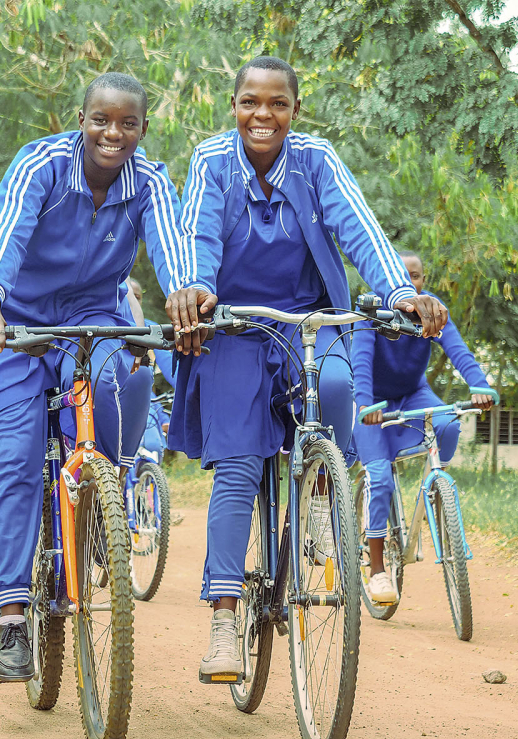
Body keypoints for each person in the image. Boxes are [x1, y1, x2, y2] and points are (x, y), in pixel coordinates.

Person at [163, 56, 448, 683]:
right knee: (238, 465)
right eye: (249, 102)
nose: (262, 115)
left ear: (295, 110)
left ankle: (321, 494)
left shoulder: (317, 159)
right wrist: (193, 288)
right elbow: (197, 234)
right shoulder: (212, 161)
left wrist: (400, 292)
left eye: (277, 104)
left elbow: (361, 229)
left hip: (310, 320)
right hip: (233, 323)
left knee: (341, 387)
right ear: (233, 105)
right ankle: (224, 618)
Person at [0, 72, 188, 682]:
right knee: (15, 455)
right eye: (101, 120)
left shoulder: (151, 182)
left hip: (94, 319)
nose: (114, 133)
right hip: (18, 322)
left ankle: (95, 515)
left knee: (110, 407)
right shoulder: (42, 164)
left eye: (128, 123)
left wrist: (186, 295)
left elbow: (170, 247)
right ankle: (11, 612)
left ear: (143, 128)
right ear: (81, 118)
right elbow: (7, 233)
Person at [352, 251, 493, 602]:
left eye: (415, 276)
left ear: (423, 280)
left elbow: (458, 350)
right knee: (380, 478)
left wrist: (479, 385)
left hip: (414, 393)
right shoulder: (373, 310)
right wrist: (365, 403)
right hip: (373, 404)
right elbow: (361, 360)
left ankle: (435, 491)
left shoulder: (432, 310)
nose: (409, 282)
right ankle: (378, 569)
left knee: (447, 425)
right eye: (401, 275)